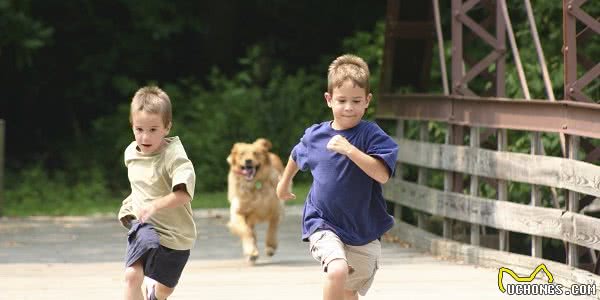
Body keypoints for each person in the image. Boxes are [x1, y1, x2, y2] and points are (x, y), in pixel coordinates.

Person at [276, 54, 398, 300]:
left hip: (362, 227)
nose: (349, 107)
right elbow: (297, 154)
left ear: (367, 101)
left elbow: (382, 175)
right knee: (337, 270)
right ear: (329, 99)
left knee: (348, 292)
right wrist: (284, 182)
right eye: (342, 100)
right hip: (322, 221)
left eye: (356, 101)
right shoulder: (315, 136)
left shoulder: (371, 135)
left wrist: (350, 150)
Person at [118, 86, 197, 300]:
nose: (145, 136)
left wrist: (155, 205)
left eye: (153, 129)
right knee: (132, 275)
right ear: (132, 126)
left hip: (175, 235)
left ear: (167, 127)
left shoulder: (175, 157)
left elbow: (183, 194)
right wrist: (133, 206)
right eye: (139, 129)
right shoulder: (130, 152)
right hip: (144, 224)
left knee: (165, 290)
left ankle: (154, 293)